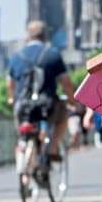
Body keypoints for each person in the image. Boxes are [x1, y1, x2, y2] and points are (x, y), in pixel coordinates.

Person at [7, 21, 74, 177]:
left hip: (23, 105)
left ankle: (23, 161)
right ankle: (52, 148)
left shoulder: (16, 56)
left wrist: (12, 98)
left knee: (22, 135)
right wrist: (72, 101)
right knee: (63, 115)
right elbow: (66, 82)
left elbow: (10, 83)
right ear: (45, 35)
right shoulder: (52, 54)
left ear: (27, 36)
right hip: (47, 105)